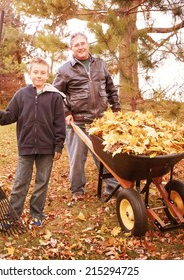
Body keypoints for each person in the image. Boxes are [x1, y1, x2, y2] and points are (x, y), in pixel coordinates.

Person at [0, 57, 66, 227]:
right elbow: (9, 116)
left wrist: (58, 145)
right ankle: (12, 216)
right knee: (20, 182)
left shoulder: (55, 97)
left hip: (47, 147)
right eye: (35, 72)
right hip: (26, 146)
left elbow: (59, 123)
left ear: (48, 74)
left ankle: (37, 214)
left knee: (42, 182)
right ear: (30, 74)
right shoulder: (21, 95)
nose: (39, 75)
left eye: (43, 73)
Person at [53, 32, 121, 201]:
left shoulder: (100, 64)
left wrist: (116, 108)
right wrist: (66, 113)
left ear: (88, 44)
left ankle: (111, 187)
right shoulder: (64, 70)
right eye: (77, 45)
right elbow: (55, 95)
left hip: (100, 121)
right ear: (72, 48)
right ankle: (77, 189)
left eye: (83, 43)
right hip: (78, 122)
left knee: (106, 156)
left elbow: (111, 88)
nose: (81, 47)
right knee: (77, 159)